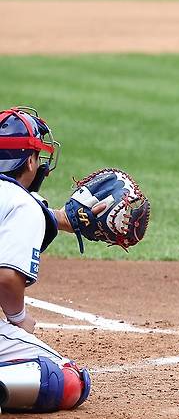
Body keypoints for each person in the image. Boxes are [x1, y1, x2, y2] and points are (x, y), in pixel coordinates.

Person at [0, 107, 91, 412]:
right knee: (67, 380)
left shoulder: (22, 205)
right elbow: (7, 277)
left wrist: (62, 219)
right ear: (29, 161)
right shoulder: (22, 205)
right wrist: (17, 318)